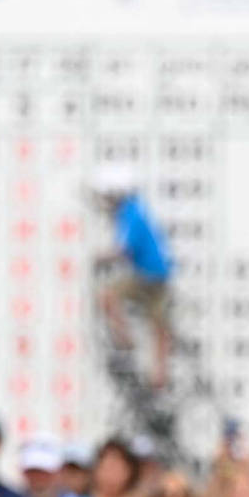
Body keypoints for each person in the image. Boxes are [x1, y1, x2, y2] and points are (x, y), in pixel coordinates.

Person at [91, 164, 175, 390]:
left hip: (148, 277)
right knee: (159, 325)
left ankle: (125, 342)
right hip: (160, 275)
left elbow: (124, 249)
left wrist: (100, 258)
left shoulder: (129, 212)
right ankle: (159, 376)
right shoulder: (136, 209)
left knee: (107, 297)